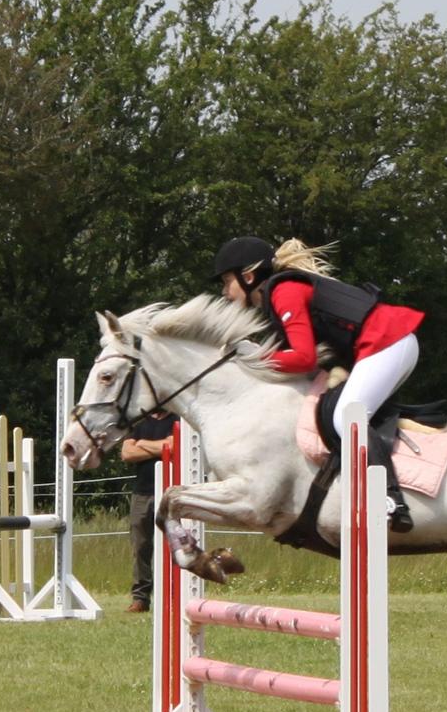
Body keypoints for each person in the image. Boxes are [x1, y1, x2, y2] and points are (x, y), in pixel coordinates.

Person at [211, 235, 424, 531]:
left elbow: (302, 358)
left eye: (226, 282)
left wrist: (256, 357)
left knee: (345, 417)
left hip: (387, 342)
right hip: (384, 345)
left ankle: (390, 498)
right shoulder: (277, 298)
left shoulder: (283, 291)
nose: (225, 292)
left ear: (247, 277)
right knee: (336, 411)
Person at [121, 411, 177, 611]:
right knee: (140, 546)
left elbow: (174, 446)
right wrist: (161, 447)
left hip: (171, 492)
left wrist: (142, 443)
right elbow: (127, 453)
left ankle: (173, 596)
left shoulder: (177, 419)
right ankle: (141, 598)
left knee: (173, 545)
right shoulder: (139, 422)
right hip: (142, 493)